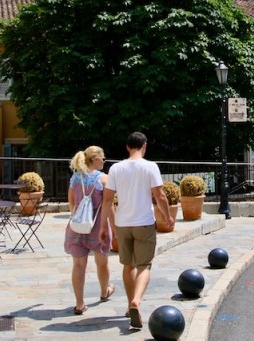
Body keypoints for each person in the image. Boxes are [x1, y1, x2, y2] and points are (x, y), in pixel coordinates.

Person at [99, 132, 173, 330]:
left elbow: (107, 199)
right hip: (144, 223)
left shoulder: (115, 168)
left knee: (128, 265)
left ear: (127, 147)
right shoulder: (150, 166)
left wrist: (103, 226)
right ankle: (136, 301)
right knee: (144, 266)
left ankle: (129, 304)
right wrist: (167, 216)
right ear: (144, 146)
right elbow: (160, 195)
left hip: (123, 224)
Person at [64, 145, 115, 315]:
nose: (104, 161)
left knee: (78, 265)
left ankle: (79, 304)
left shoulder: (75, 178)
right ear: (94, 158)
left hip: (78, 227)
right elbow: (109, 206)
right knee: (102, 263)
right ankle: (104, 291)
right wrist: (114, 228)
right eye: (103, 158)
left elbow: (71, 203)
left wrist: (78, 217)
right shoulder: (104, 179)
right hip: (98, 228)